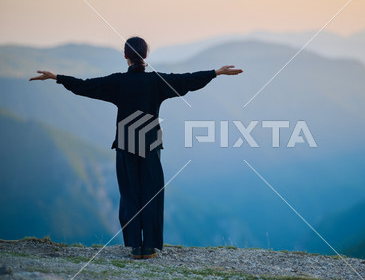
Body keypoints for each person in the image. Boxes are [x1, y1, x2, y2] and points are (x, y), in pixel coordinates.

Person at [29, 36, 243, 259]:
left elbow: (85, 85)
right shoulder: (156, 81)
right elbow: (186, 80)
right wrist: (215, 73)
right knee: (151, 194)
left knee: (130, 194)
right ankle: (149, 248)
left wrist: (57, 77)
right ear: (146, 56)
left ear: (125, 56)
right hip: (150, 144)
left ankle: (135, 247)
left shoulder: (118, 82)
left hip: (125, 144)